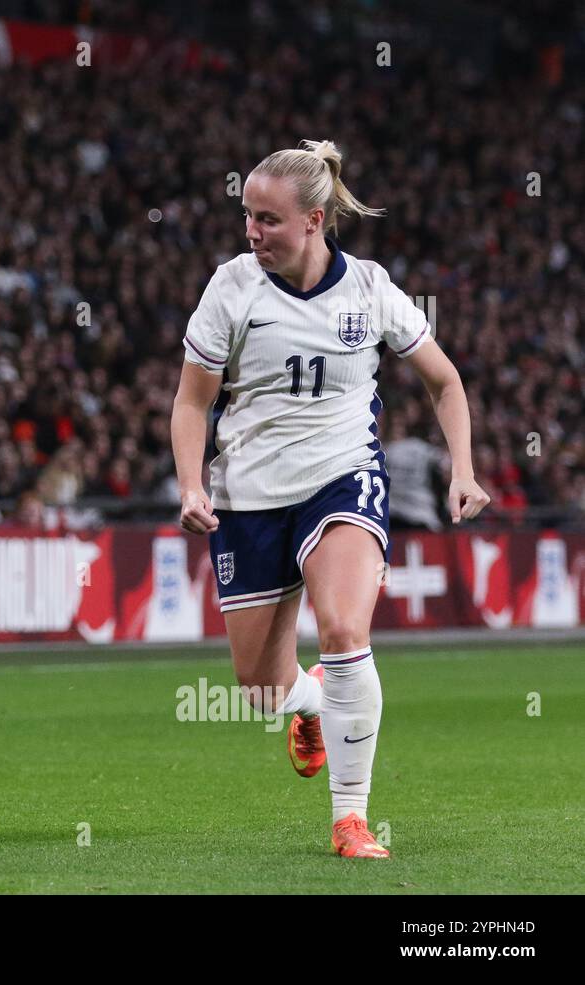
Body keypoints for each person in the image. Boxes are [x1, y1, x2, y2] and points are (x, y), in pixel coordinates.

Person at [170, 139, 490, 859]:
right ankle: (309, 700)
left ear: (314, 219)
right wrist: (192, 481)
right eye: (247, 217)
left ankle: (350, 818)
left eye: (268, 220)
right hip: (248, 494)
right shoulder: (233, 286)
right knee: (257, 687)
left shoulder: (370, 289)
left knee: (345, 630)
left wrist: (462, 468)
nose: (252, 232)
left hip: (342, 475)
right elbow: (192, 403)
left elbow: (445, 381)